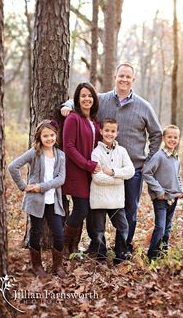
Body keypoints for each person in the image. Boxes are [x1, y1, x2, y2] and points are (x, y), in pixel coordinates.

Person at [61, 62, 162, 254]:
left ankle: (123, 248)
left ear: (133, 80)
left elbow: (156, 134)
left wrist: (149, 162)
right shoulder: (102, 99)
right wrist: (66, 105)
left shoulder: (144, 106)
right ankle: (97, 247)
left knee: (128, 211)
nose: (124, 79)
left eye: (128, 76)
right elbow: (82, 100)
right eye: (121, 76)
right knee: (96, 208)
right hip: (101, 167)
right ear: (115, 78)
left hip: (132, 170)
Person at [8, 120, 66, 278]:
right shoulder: (35, 152)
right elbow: (13, 166)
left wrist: (41, 187)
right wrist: (23, 186)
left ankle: (57, 266)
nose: (49, 138)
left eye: (52, 135)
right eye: (45, 136)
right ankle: (37, 266)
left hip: (53, 201)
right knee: (36, 232)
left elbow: (61, 179)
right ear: (39, 137)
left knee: (59, 233)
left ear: (56, 135)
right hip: (36, 201)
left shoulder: (60, 155)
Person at [62, 82, 101, 259]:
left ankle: (73, 248)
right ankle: (62, 245)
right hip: (77, 170)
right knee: (81, 209)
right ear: (77, 98)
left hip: (90, 172)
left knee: (83, 209)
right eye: (83, 95)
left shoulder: (94, 121)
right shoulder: (73, 118)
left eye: (90, 95)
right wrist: (86, 164)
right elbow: (68, 146)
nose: (87, 99)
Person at [90, 118, 135, 264]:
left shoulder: (122, 151)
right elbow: (97, 178)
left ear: (117, 133)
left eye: (113, 131)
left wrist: (113, 172)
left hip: (116, 200)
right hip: (99, 198)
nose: (110, 133)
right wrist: (119, 178)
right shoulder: (96, 152)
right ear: (101, 131)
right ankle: (101, 257)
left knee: (123, 226)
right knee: (98, 230)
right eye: (107, 130)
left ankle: (120, 256)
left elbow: (131, 171)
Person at [142, 125, 183, 262]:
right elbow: (147, 172)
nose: (172, 139)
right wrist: (159, 191)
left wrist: (180, 190)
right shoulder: (159, 156)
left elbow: (177, 176)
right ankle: (151, 256)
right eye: (169, 137)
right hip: (161, 198)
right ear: (163, 138)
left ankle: (163, 253)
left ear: (178, 139)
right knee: (160, 227)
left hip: (173, 198)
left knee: (167, 227)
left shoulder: (176, 157)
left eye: (175, 137)